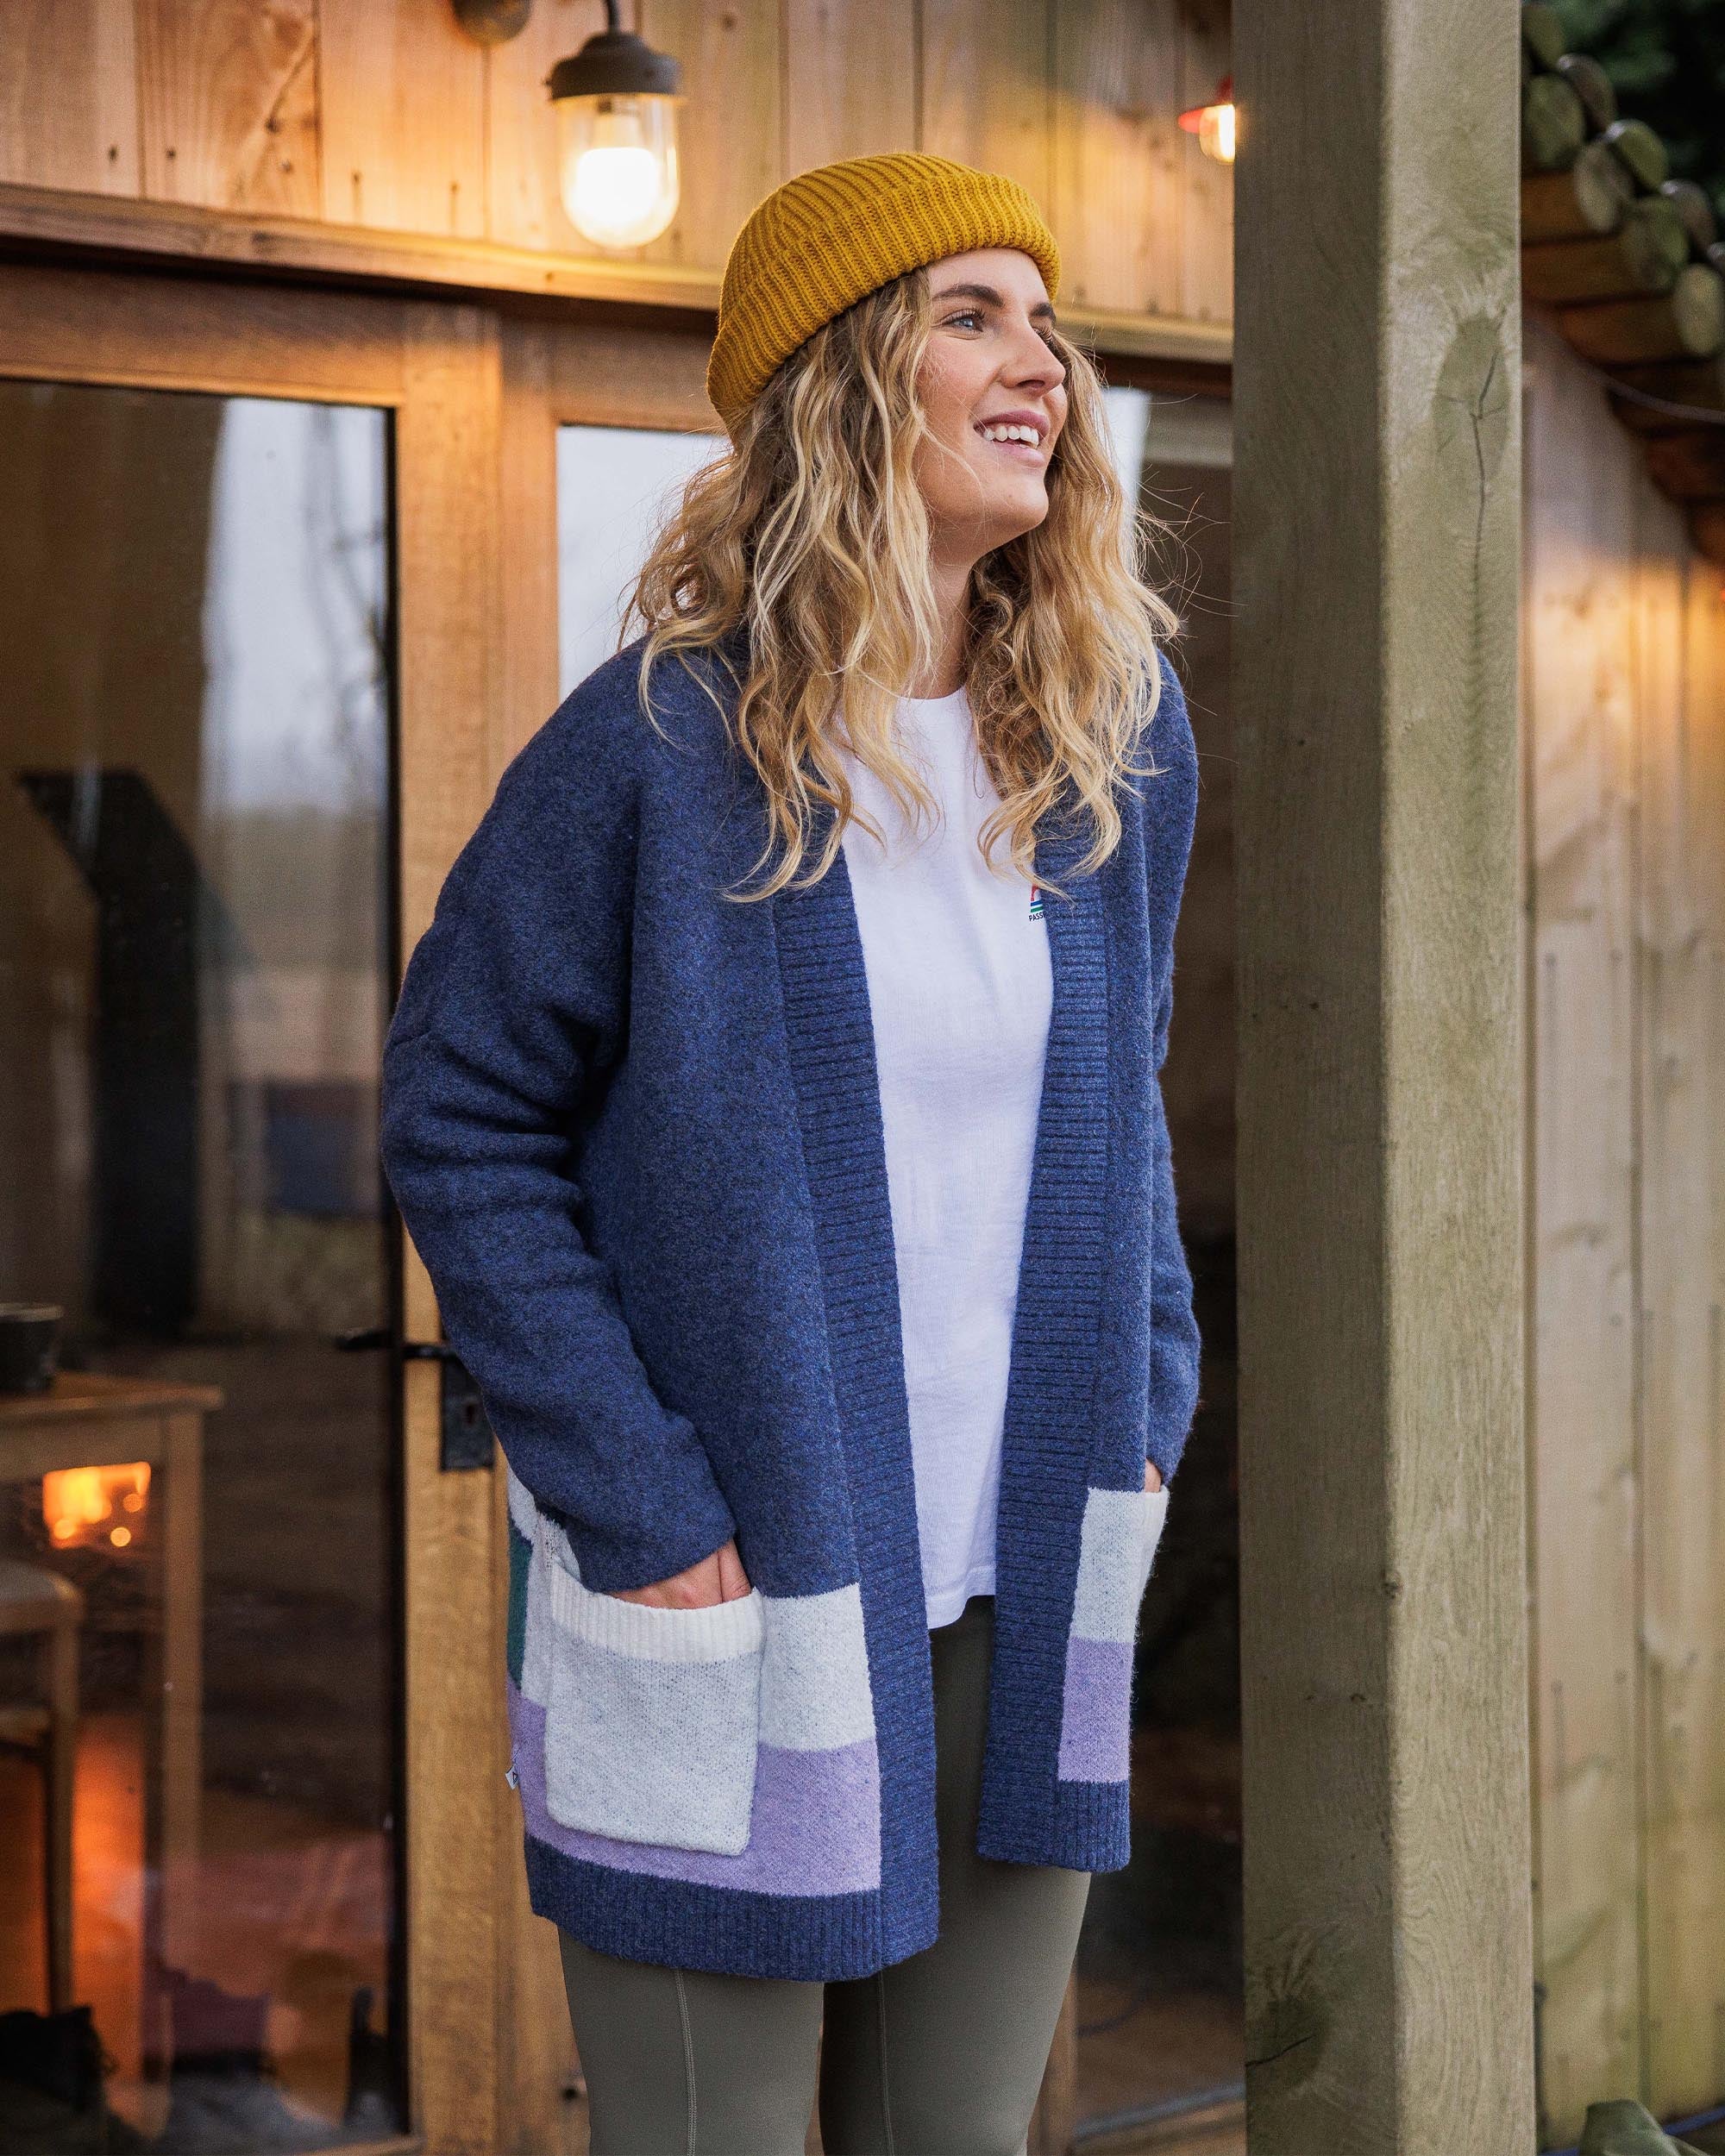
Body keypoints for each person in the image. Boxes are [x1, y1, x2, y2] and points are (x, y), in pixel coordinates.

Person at [380, 150, 1201, 2156]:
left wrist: (1145, 1397)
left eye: (1049, 323)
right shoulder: (658, 746)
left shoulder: (1110, 740)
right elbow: (461, 1114)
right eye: (970, 317)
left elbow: (1125, 1109)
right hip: (732, 1587)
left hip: (1024, 1572)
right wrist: (638, 1498)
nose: (1044, 365)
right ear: (841, 381)